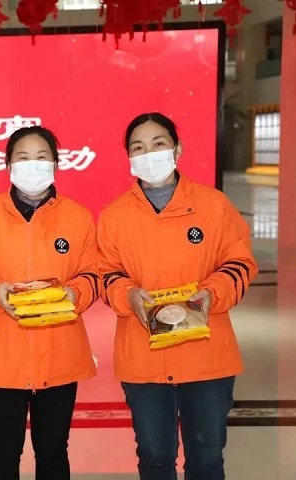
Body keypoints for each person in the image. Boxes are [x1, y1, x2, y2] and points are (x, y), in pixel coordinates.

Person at [97, 112, 258, 480]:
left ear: (177, 149)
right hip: (144, 356)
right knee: (154, 456)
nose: (148, 154)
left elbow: (240, 262)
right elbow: (105, 273)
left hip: (207, 354)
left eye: (158, 144)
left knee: (206, 457)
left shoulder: (213, 205)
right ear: (129, 157)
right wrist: (128, 295)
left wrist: (211, 293)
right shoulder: (114, 216)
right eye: (138, 147)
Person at [0, 126, 99, 480]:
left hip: (59, 353)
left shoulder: (78, 217)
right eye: (23, 158)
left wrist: (74, 293)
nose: (32, 165)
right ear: (9, 165)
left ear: (55, 164)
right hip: (3, 354)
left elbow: (94, 274)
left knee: (53, 450)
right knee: (3, 450)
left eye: (41, 157)